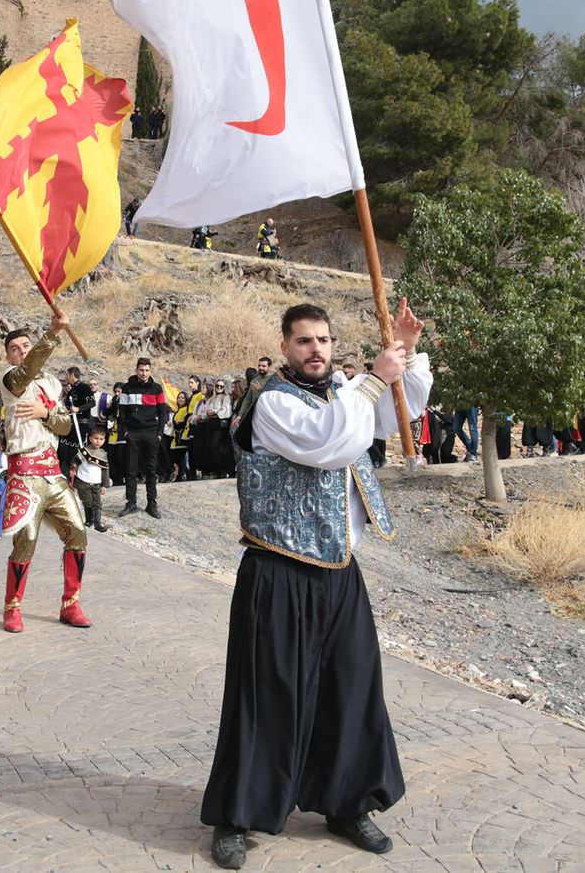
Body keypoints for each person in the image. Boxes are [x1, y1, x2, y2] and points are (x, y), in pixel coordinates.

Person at [203, 302, 431, 868]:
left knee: (351, 690)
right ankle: (239, 815)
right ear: (285, 347)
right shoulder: (274, 403)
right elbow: (333, 443)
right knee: (268, 696)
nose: (316, 351)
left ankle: (348, 803)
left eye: (324, 340)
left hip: (338, 569)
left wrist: (401, 352)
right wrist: (376, 377)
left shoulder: (346, 393)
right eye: (304, 341)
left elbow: (391, 414)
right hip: (278, 571)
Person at [0, 306, 92, 633]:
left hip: (52, 473)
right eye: (15, 349)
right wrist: (52, 334)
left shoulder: (51, 383)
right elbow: (26, 373)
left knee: (78, 532)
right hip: (24, 474)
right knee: (26, 541)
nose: (22, 351)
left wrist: (45, 413)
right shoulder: (11, 381)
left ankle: (71, 604)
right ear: (9, 357)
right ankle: (12, 607)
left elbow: (66, 426)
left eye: (26, 345)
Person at [117, 356, 168, 519]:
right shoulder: (126, 388)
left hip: (151, 433)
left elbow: (163, 412)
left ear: (150, 371)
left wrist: (159, 433)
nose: (144, 373)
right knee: (131, 469)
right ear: (136, 370)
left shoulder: (157, 388)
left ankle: (151, 504)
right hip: (133, 433)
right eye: (141, 370)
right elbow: (122, 412)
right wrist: (125, 431)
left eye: (147, 370)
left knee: (151, 471)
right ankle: (131, 503)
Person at [75, 424, 109, 532]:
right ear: (90, 439)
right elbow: (75, 461)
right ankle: (89, 521)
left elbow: (105, 470)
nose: (98, 441)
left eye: (101, 439)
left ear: (104, 440)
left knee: (97, 503)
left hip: (96, 483)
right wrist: (73, 469)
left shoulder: (103, 454)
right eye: (96, 438)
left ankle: (98, 524)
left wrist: (104, 485)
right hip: (83, 481)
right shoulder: (84, 451)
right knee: (88, 502)